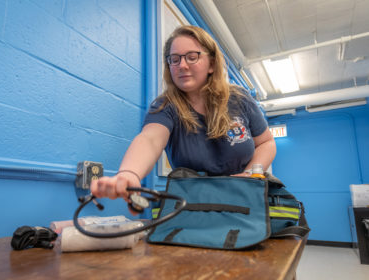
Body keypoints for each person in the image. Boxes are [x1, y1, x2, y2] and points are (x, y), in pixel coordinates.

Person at [91, 25, 276, 211]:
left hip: (245, 201)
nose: (182, 65)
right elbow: (150, 140)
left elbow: (266, 142)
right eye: (175, 59)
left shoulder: (239, 99)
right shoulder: (166, 106)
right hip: (195, 207)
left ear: (211, 64)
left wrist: (250, 174)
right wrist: (129, 173)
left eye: (192, 57)